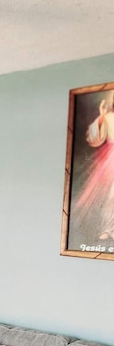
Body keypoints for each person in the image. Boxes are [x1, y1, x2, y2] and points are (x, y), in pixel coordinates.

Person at [73, 97, 114, 240]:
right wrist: (102, 116)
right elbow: (94, 137)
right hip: (111, 159)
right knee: (111, 196)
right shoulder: (108, 117)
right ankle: (109, 229)